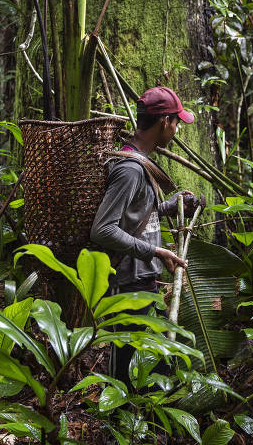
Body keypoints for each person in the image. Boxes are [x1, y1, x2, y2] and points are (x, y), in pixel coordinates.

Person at [90, 86, 201, 386]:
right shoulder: (130, 169)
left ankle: (141, 429)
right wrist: (156, 252)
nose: (177, 129)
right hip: (128, 285)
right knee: (127, 374)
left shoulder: (140, 162)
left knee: (152, 367)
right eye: (177, 122)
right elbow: (103, 229)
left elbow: (137, 214)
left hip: (143, 282)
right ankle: (119, 429)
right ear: (165, 122)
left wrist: (171, 204)